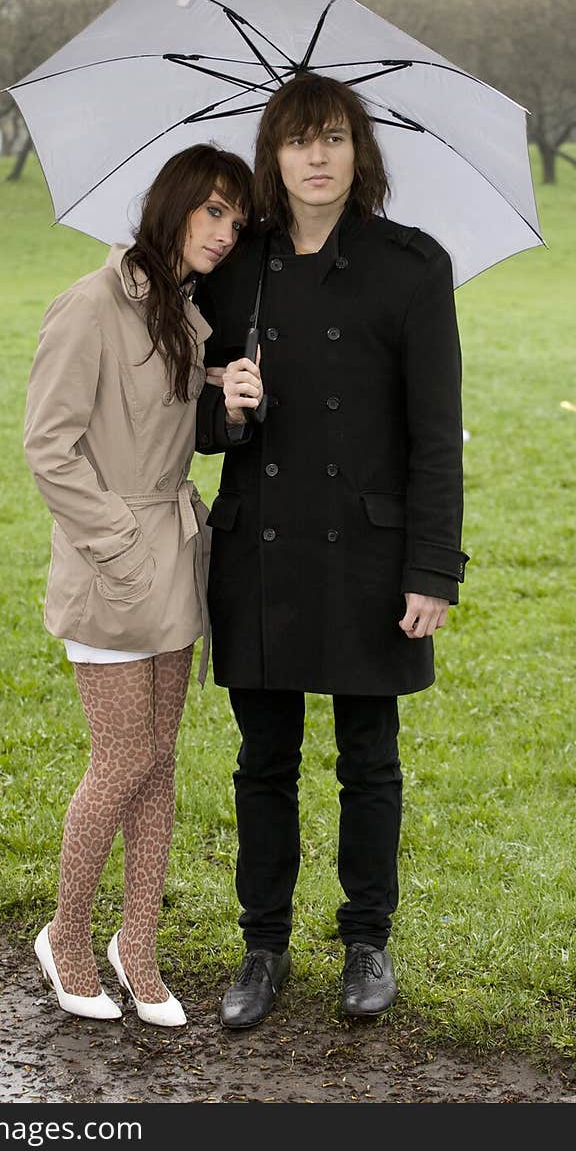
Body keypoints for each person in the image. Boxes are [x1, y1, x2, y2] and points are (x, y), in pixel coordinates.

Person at [195, 73, 468, 1027]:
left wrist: (433, 569)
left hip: (366, 553)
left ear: (361, 152)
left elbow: (437, 434)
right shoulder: (234, 268)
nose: (318, 157)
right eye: (299, 140)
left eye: (336, 138)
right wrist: (219, 407)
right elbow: (181, 414)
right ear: (274, 155)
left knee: (369, 758)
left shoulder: (412, 266)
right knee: (262, 761)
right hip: (259, 556)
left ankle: (366, 945)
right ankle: (260, 948)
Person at [23, 142, 253, 1026]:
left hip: (174, 560)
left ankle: (139, 947)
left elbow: (171, 420)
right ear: (173, 208)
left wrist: (221, 383)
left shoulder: (182, 313)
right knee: (120, 757)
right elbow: (50, 448)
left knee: (158, 763)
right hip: (111, 565)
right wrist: (117, 542)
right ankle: (65, 937)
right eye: (214, 211)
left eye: (237, 218)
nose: (228, 232)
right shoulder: (89, 307)